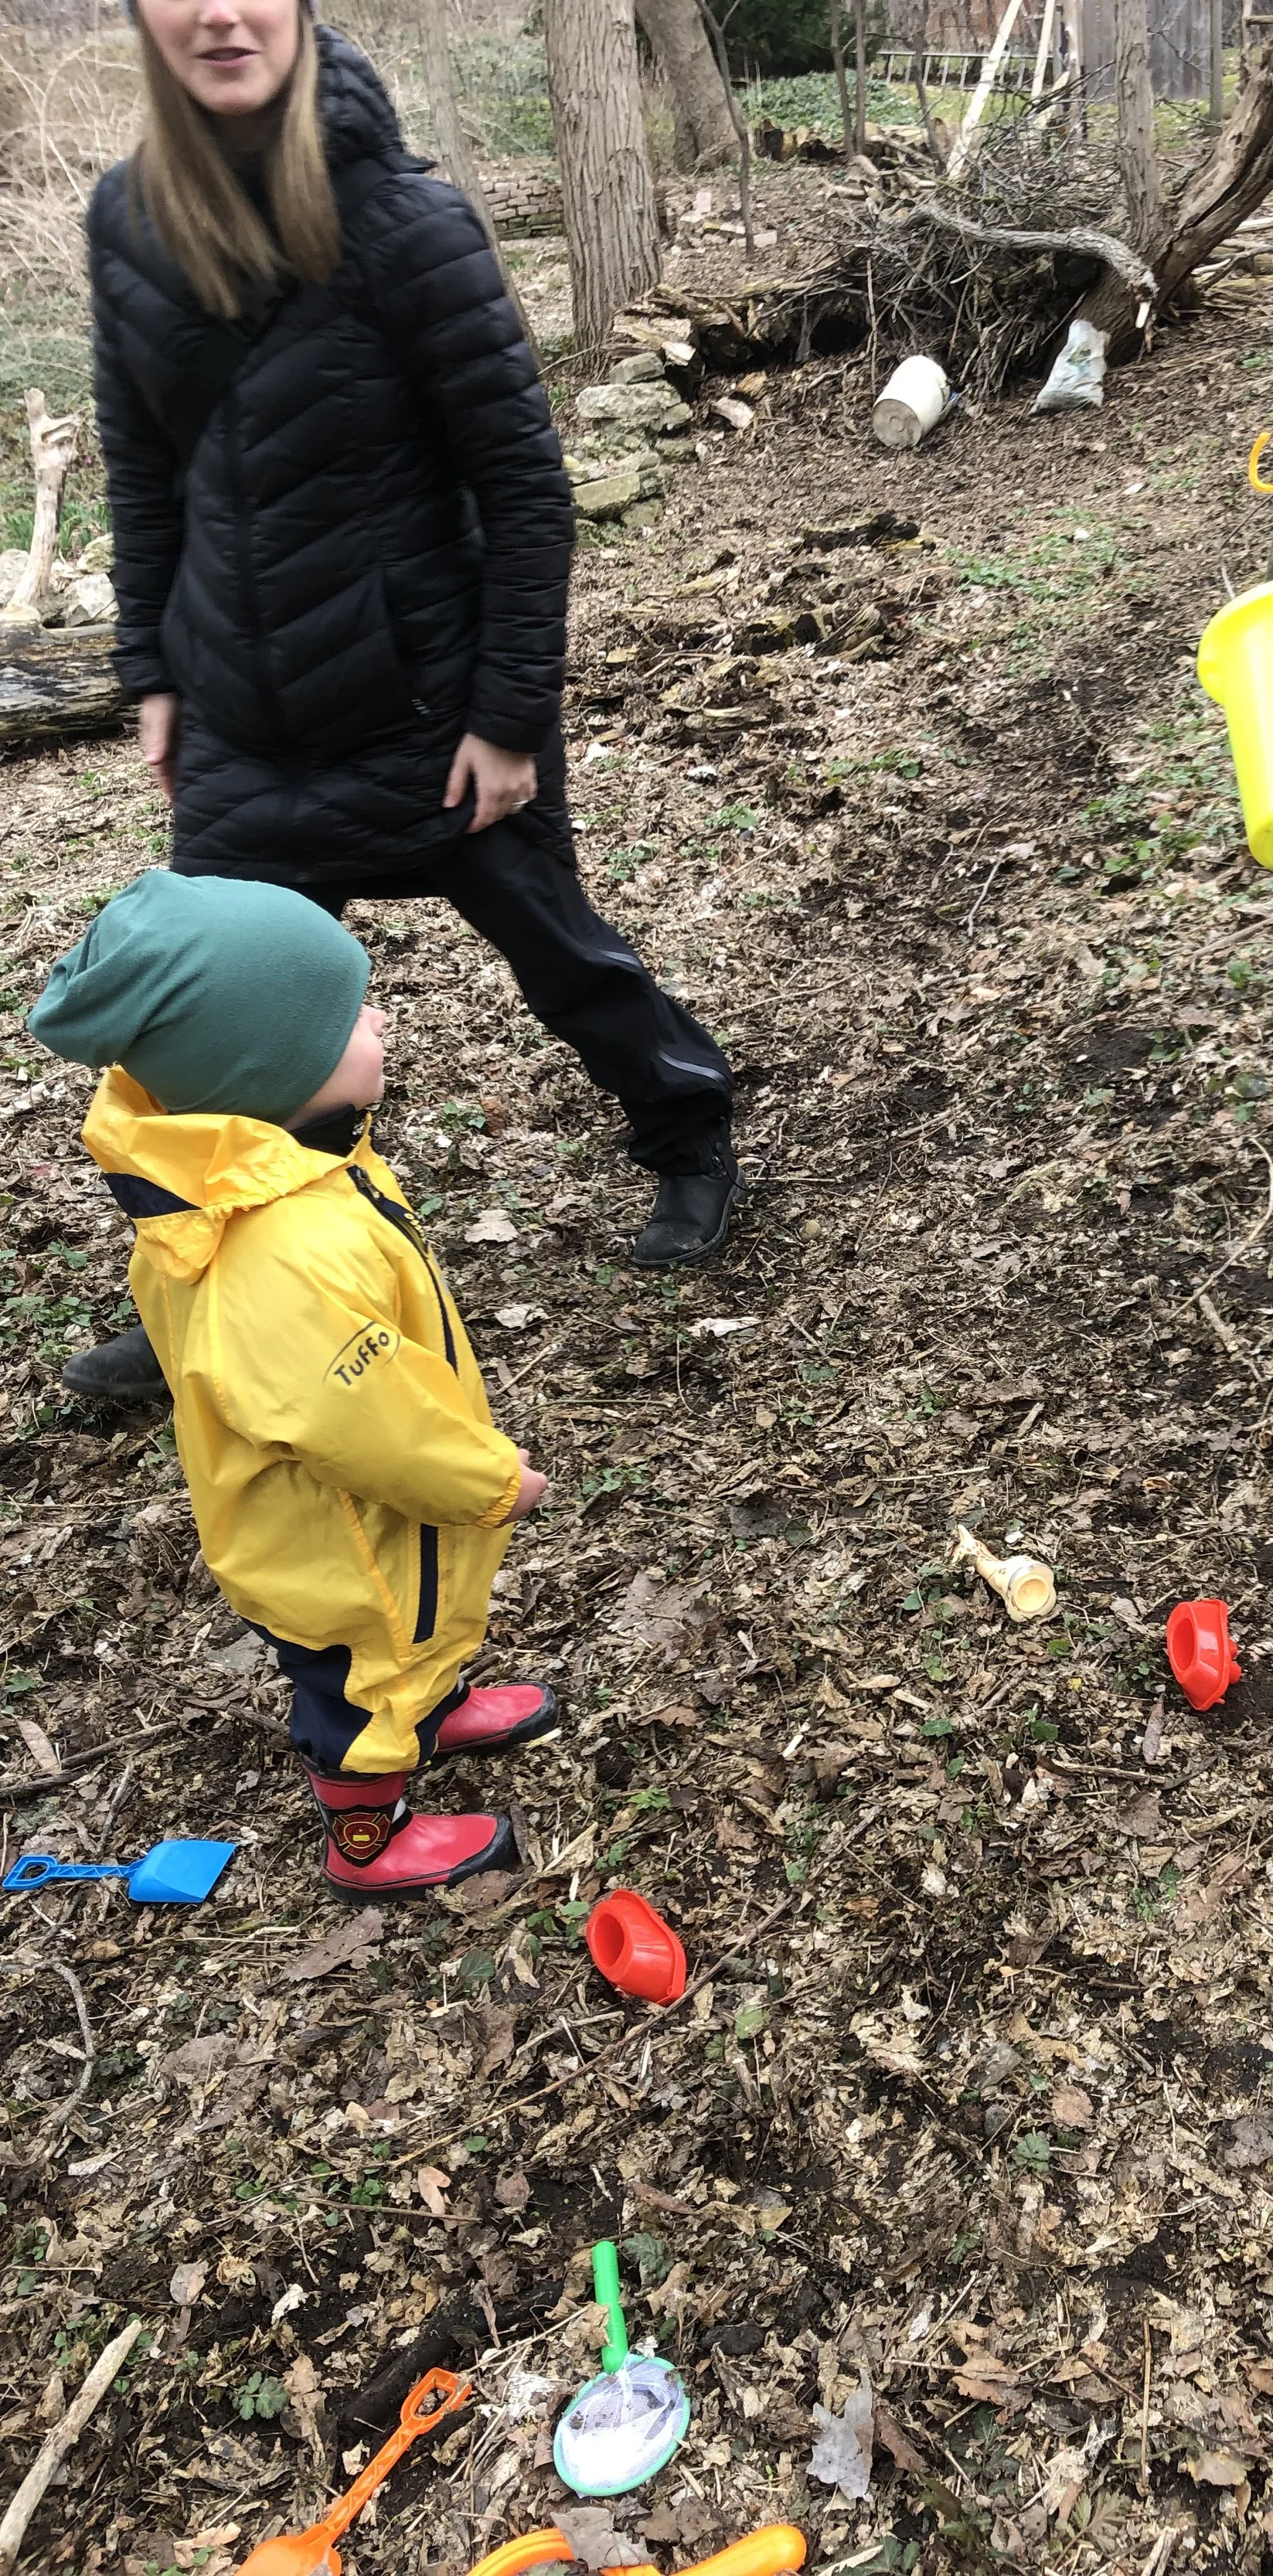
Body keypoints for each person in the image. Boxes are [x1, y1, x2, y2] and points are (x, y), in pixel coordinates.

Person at [70, 0, 737, 1408]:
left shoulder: (405, 221)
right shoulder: (129, 220)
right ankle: (212, 1289)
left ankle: (689, 1130)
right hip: (242, 713)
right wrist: (154, 672)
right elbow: (143, 473)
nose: (219, 13)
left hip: (425, 704)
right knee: (210, 1026)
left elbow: (524, 485)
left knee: (560, 953)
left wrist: (508, 712)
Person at [29, 870, 561, 1898]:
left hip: (366, 1521)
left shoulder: (281, 1164)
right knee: (357, 1692)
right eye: (349, 1015)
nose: (380, 1019)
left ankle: (438, 1704)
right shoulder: (274, 1249)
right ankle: (366, 1838)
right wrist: (492, 1482)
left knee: (411, 1638)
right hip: (339, 1541)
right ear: (272, 1066)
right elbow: (361, 1422)